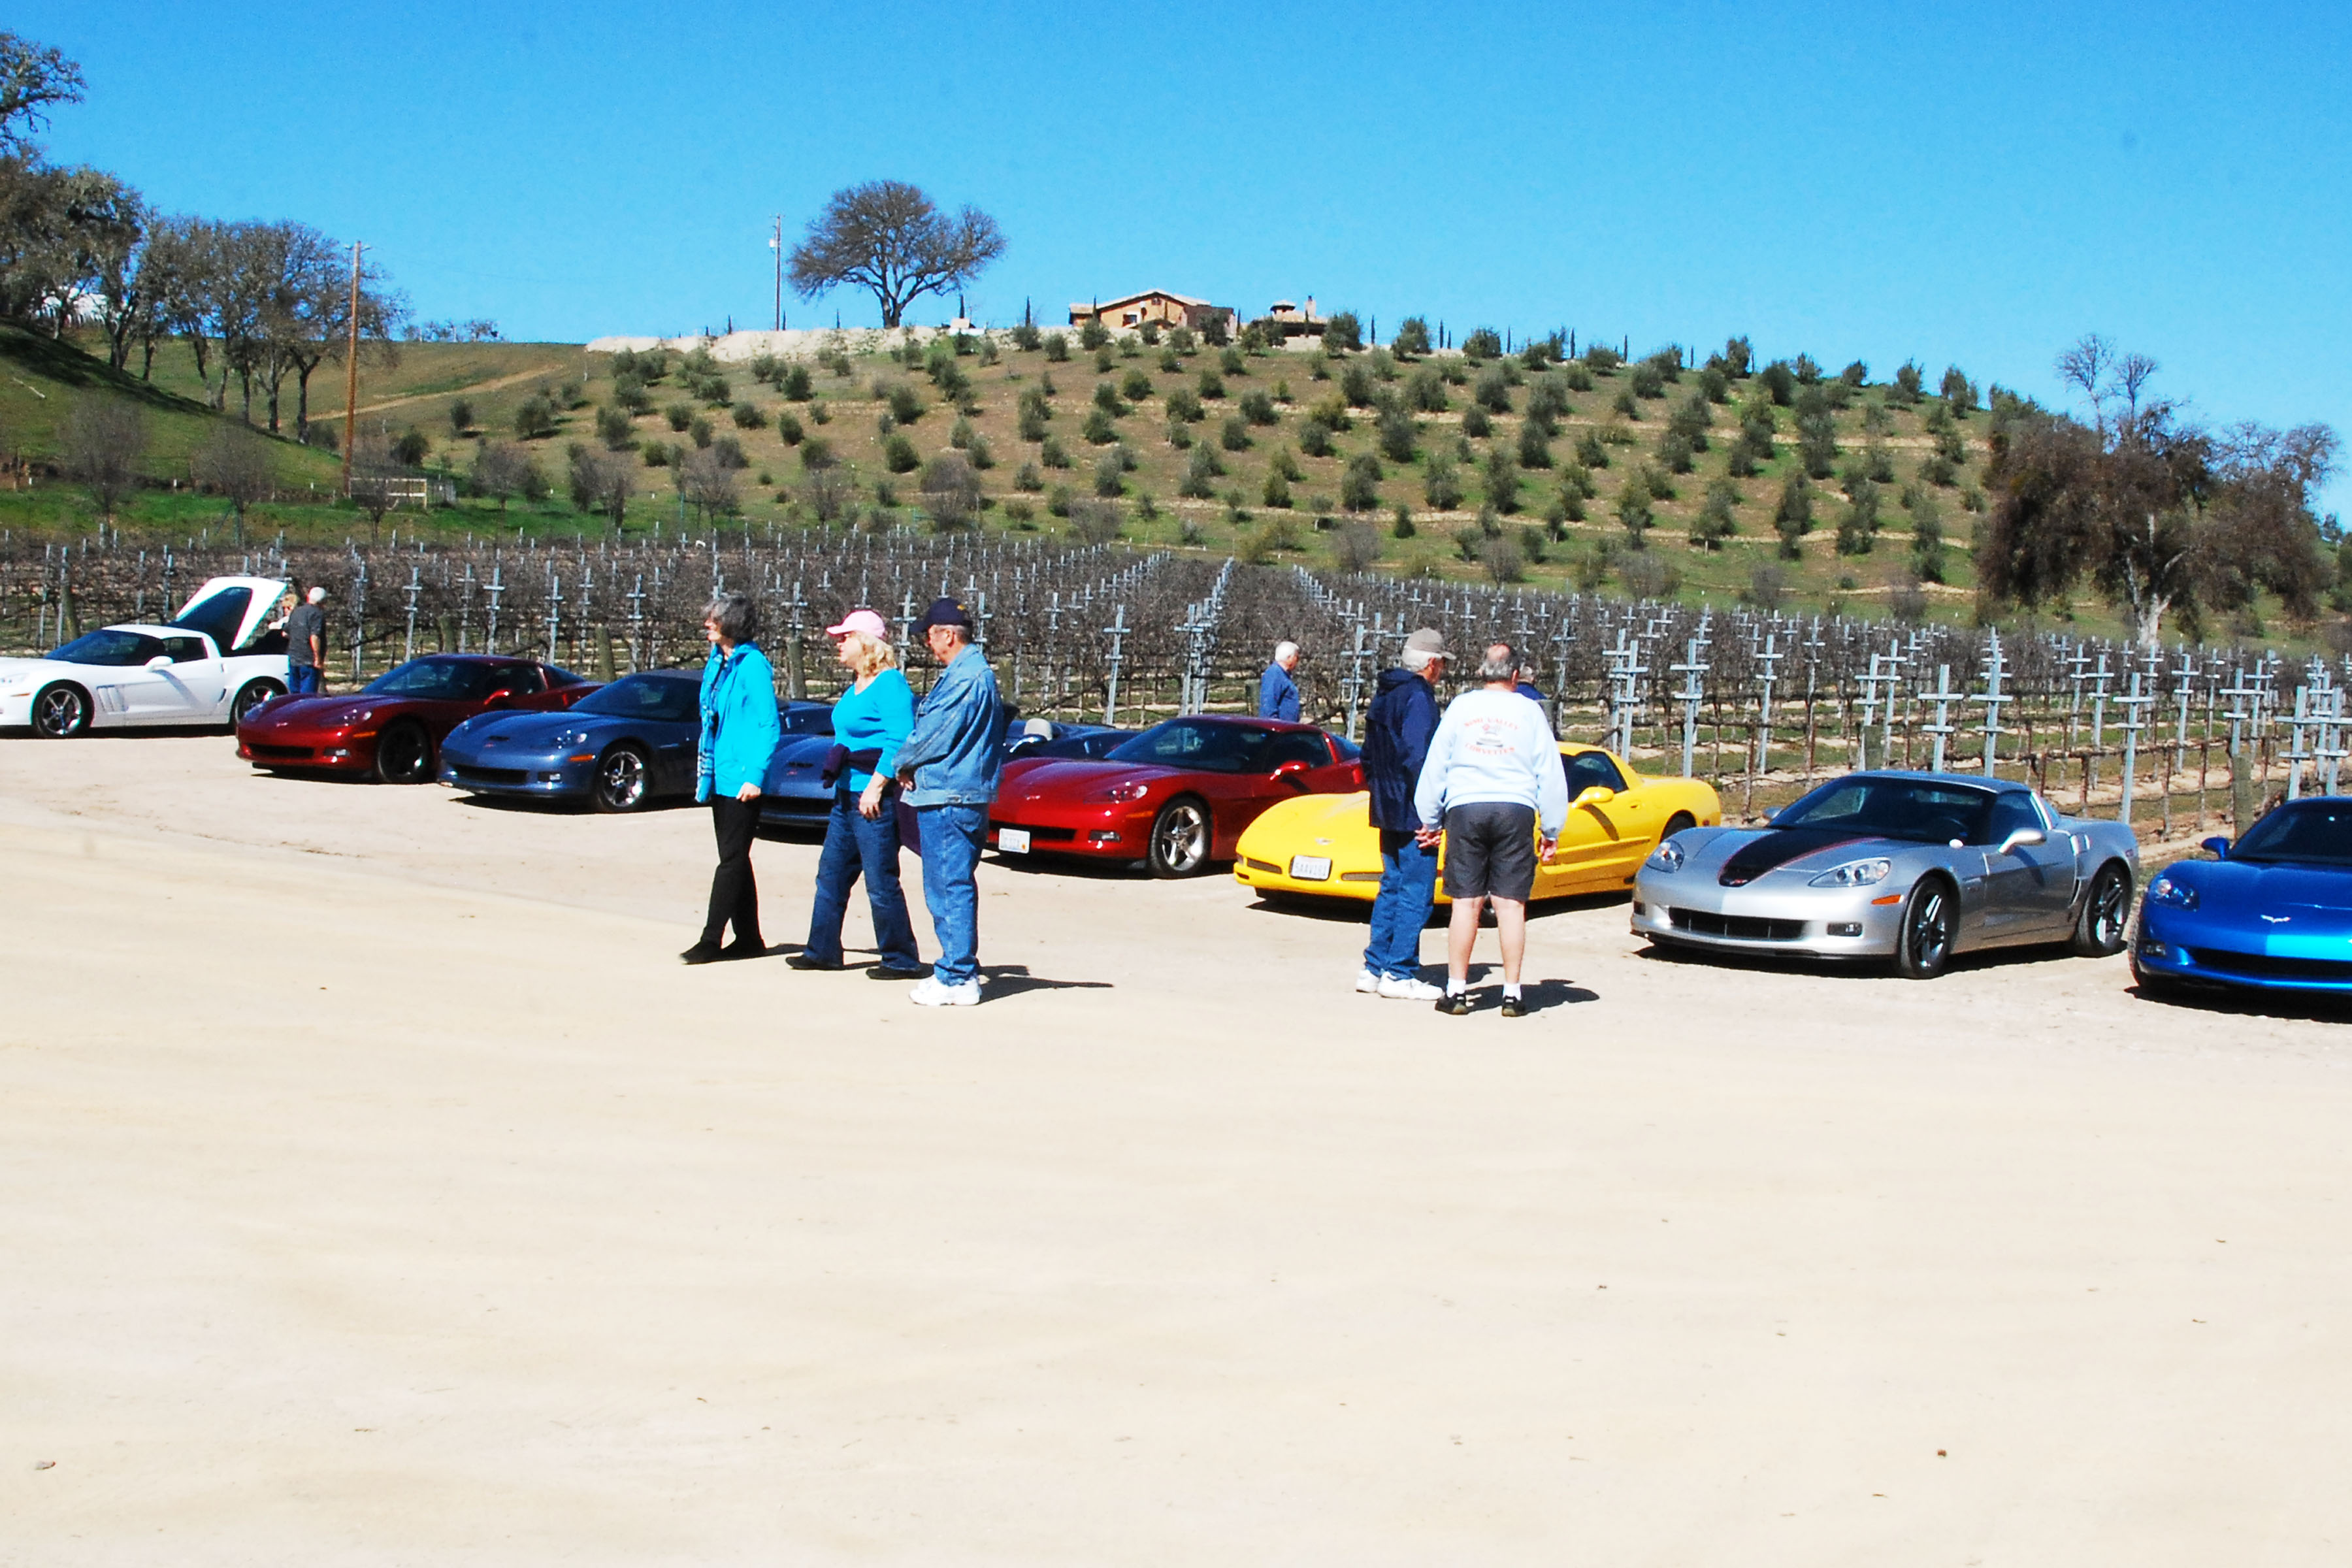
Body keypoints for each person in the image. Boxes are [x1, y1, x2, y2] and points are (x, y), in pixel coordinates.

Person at [1413, 645, 1569, 1018]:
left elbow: (1437, 764)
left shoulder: (1461, 707)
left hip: (1466, 806)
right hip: (1515, 808)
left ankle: (1456, 990)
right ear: (1515, 675)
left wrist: (1430, 819)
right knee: (1510, 904)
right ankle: (1512, 994)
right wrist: (1551, 828)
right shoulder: (1530, 711)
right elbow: (1549, 771)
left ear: (1482, 672)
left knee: (1465, 903)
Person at [789, 610, 923, 979]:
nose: (838, 643)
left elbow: (900, 739)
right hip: (845, 795)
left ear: (865, 643)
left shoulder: (890, 684)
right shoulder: (858, 684)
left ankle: (901, 959)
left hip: (872, 798)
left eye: (845, 637)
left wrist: (876, 787)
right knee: (831, 876)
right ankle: (822, 951)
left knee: (880, 881)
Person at [892, 597, 1003, 1007]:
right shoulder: (972, 673)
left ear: (948, 635)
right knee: (951, 883)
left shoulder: (966, 678)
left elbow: (936, 733)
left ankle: (957, 975)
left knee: (948, 885)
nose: (927, 643)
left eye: (929, 635)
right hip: (958, 792)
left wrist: (902, 762)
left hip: (951, 795)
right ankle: (956, 969)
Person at [683, 592, 782, 966]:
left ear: (733, 624)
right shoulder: (718, 663)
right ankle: (749, 938)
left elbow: (769, 725)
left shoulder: (753, 665)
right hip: (721, 774)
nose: (707, 624)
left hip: (743, 778)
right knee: (735, 857)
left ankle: (710, 939)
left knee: (731, 860)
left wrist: (755, 775)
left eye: (715, 618)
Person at [1356, 628, 1450, 1001]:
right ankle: (1399, 971)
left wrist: (1380, 791)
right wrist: (1433, 810)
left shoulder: (1385, 693)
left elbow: (1366, 754)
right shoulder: (1418, 697)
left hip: (1386, 805)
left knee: (1391, 885)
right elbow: (1419, 757)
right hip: (1413, 808)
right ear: (1432, 663)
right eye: (1442, 663)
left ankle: (1374, 967)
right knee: (1416, 891)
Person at [285, 585, 327, 695]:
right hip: (308, 660)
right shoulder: (317, 614)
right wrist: (317, 658)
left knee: (294, 694)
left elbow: (285, 633)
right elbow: (314, 637)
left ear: (309, 597)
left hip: (294, 657)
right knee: (307, 695)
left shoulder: (297, 611)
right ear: (322, 601)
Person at [1258, 640, 1302, 722]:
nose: (1297, 661)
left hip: (1289, 727)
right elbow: (1269, 705)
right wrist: (1274, 726)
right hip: (1279, 728)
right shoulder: (1274, 674)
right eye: (1296, 657)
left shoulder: (1283, 675)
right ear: (1289, 658)